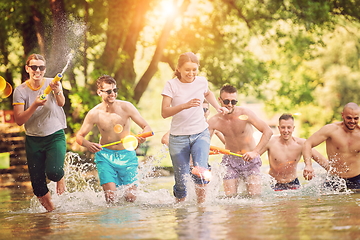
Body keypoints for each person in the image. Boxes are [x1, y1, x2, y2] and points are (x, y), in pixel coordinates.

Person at [161, 52, 228, 204]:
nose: (191, 73)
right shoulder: (171, 85)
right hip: (178, 137)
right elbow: (164, 112)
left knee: (201, 170)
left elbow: (208, 93)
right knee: (181, 181)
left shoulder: (201, 81)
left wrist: (218, 107)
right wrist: (185, 105)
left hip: (200, 133)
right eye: (187, 70)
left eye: (194, 69)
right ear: (178, 69)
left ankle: (201, 208)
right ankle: (180, 209)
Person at [76, 75, 152, 203]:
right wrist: (88, 144)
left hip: (127, 155)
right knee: (111, 198)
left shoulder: (126, 107)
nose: (113, 94)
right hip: (105, 157)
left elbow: (147, 127)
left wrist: (142, 136)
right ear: (99, 92)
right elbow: (79, 137)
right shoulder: (94, 113)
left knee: (130, 198)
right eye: (109, 91)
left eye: (115, 90)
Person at [13, 54, 67, 212]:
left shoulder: (53, 82)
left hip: (55, 135)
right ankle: (53, 213)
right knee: (37, 186)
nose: (38, 70)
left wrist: (57, 91)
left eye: (41, 67)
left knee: (55, 172)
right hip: (33, 139)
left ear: (45, 69)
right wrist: (35, 105)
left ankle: (60, 176)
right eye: (34, 67)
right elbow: (19, 120)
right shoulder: (20, 91)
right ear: (27, 69)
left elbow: (61, 103)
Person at [207, 84, 273, 197]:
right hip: (230, 161)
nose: (230, 105)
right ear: (219, 100)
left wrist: (255, 152)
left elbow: (268, 131)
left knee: (255, 198)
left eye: (233, 102)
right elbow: (203, 143)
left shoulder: (245, 113)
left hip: (250, 160)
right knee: (230, 199)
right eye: (226, 101)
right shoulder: (214, 121)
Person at [259, 114, 328, 191]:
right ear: (279, 128)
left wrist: (337, 176)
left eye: (289, 127)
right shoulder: (270, 142)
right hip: (274, 184)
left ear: (293, 128)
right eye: (283, 127)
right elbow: (254, 157)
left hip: (293, 184)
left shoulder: (302, 144)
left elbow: (323, 162)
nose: (286, 130)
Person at [303, 102, 360, 190]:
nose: (352, 121)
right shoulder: (331, 130)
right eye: (349, 118)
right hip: (335, 179)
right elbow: (308, 143)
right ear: (342, 115)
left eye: (356, 118)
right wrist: (308, 165)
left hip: (357, 179)